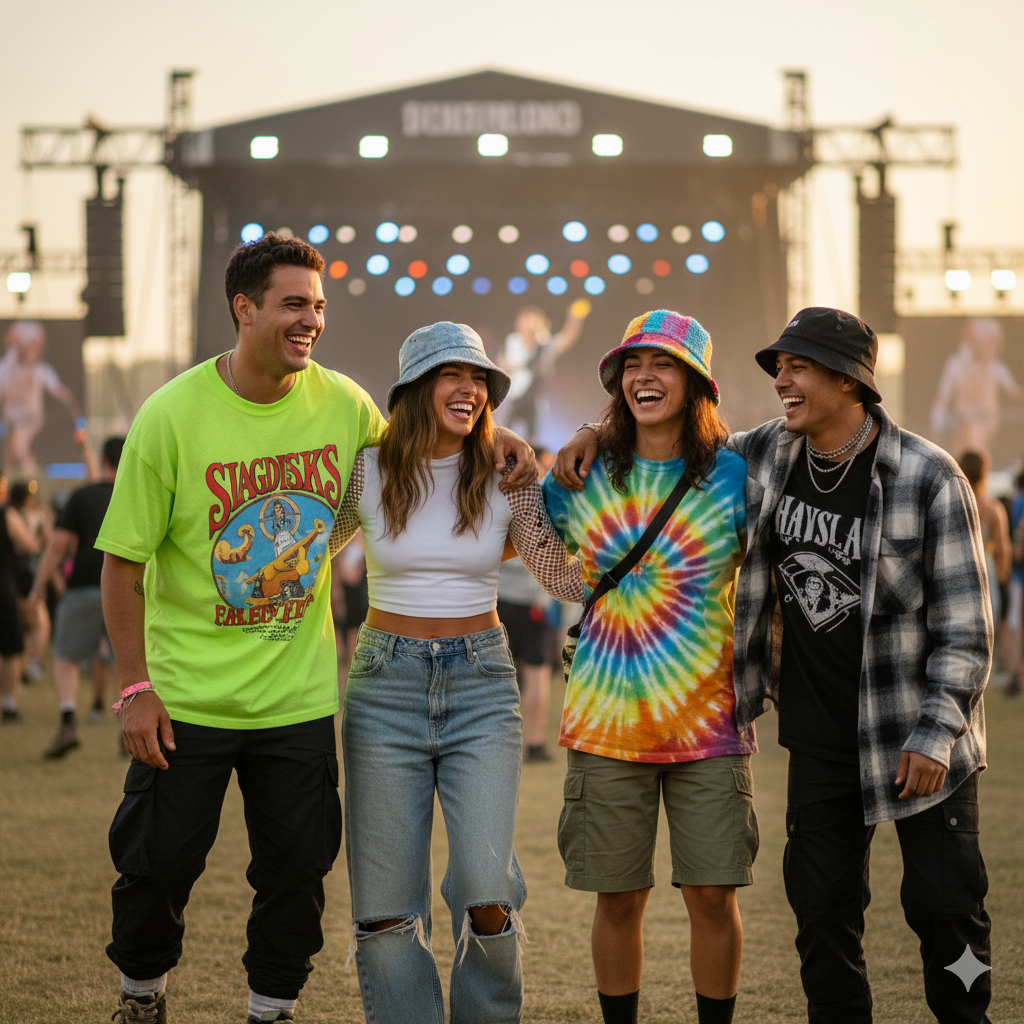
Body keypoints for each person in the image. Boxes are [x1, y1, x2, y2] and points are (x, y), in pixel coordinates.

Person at [94, 234, 539, 1024]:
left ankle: (272, 1009)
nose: (312, 320)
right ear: (245, 308)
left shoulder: (345, 405)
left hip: (296, 699)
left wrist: (491, 433)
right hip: (187, 698)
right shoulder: (170, 417)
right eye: (294, 303)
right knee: (158, 865)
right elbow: (122, 563)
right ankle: (142, 992)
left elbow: (423, 445)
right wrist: (135, 687)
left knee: (298, 873)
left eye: (319, 306)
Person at [555, 305, 993, 1024]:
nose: (781, 381)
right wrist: (594, 430)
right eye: (779, 368)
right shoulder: (767, 455)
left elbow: (967, 627)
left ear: (849, 380)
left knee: (946, 910)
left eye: (798, 367)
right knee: (823, 918)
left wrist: (936, 731)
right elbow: (669, 433)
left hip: (915, 738)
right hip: (821, 738)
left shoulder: (928, 475)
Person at [331, 321, 580, 1024]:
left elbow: (558, 572)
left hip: (481, 684)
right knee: (386, 910)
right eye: (453, 375)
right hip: (384, 688)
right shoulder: (366, 471)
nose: (469, 389)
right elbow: (307, 549)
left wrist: (633, 566)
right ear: (416, 387)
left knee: (486, 890)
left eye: (479, 379)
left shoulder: (507, 474)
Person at [542, 311, 757, 1024]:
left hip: (709, 723)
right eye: (632, 365)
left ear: (696, 385)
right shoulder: (582, 473)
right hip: (607, 722)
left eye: (663, 364)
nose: (644, 376)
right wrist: (569, 439)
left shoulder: (735, 475)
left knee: (712, 897)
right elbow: (530, 540)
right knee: (618, 898)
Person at [29, 436, 125, 758]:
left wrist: (38, 587)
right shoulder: (134, 494)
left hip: (83, 585)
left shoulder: (82, 496)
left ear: (104, 460)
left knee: (66, 657)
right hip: (127, 590)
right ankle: (128, 727)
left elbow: (57, 546)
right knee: (124, 660)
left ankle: (68, 722)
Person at [0, 319, 84, 474]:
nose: (33, 350)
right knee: (10, 456)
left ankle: (34, 480)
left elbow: (60, 390)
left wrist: (75, 412)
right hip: (12, 420)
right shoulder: (6, 368)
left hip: (31, 419)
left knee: (19, 446)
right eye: (29, 345)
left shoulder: (41, 371)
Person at [497, 300, 589, 440]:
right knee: (503, 435)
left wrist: (574, 320)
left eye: (533, 321)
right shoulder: (511, 341)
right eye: (526, 320)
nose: (529, 325)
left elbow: (565, 340)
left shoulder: (544, 344)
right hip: (512, 397)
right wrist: (512, 365)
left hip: (533, 400)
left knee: (532, 438)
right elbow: (500, 363)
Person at [930, 317, 1020, 455]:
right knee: (967, 438)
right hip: (961, 421)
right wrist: (936, 428)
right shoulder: (956, 365)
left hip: (986, 421)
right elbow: (942, 400)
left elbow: (1014, 391)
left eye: (993, 343)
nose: (989, 348)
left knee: (974, 434)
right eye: (984, 342)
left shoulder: (996, 368)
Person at [0, 467, 36, 721]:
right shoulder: (7, 514)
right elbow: (30, 544)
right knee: (11, 648)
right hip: (4, 587)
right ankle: (10, 704)